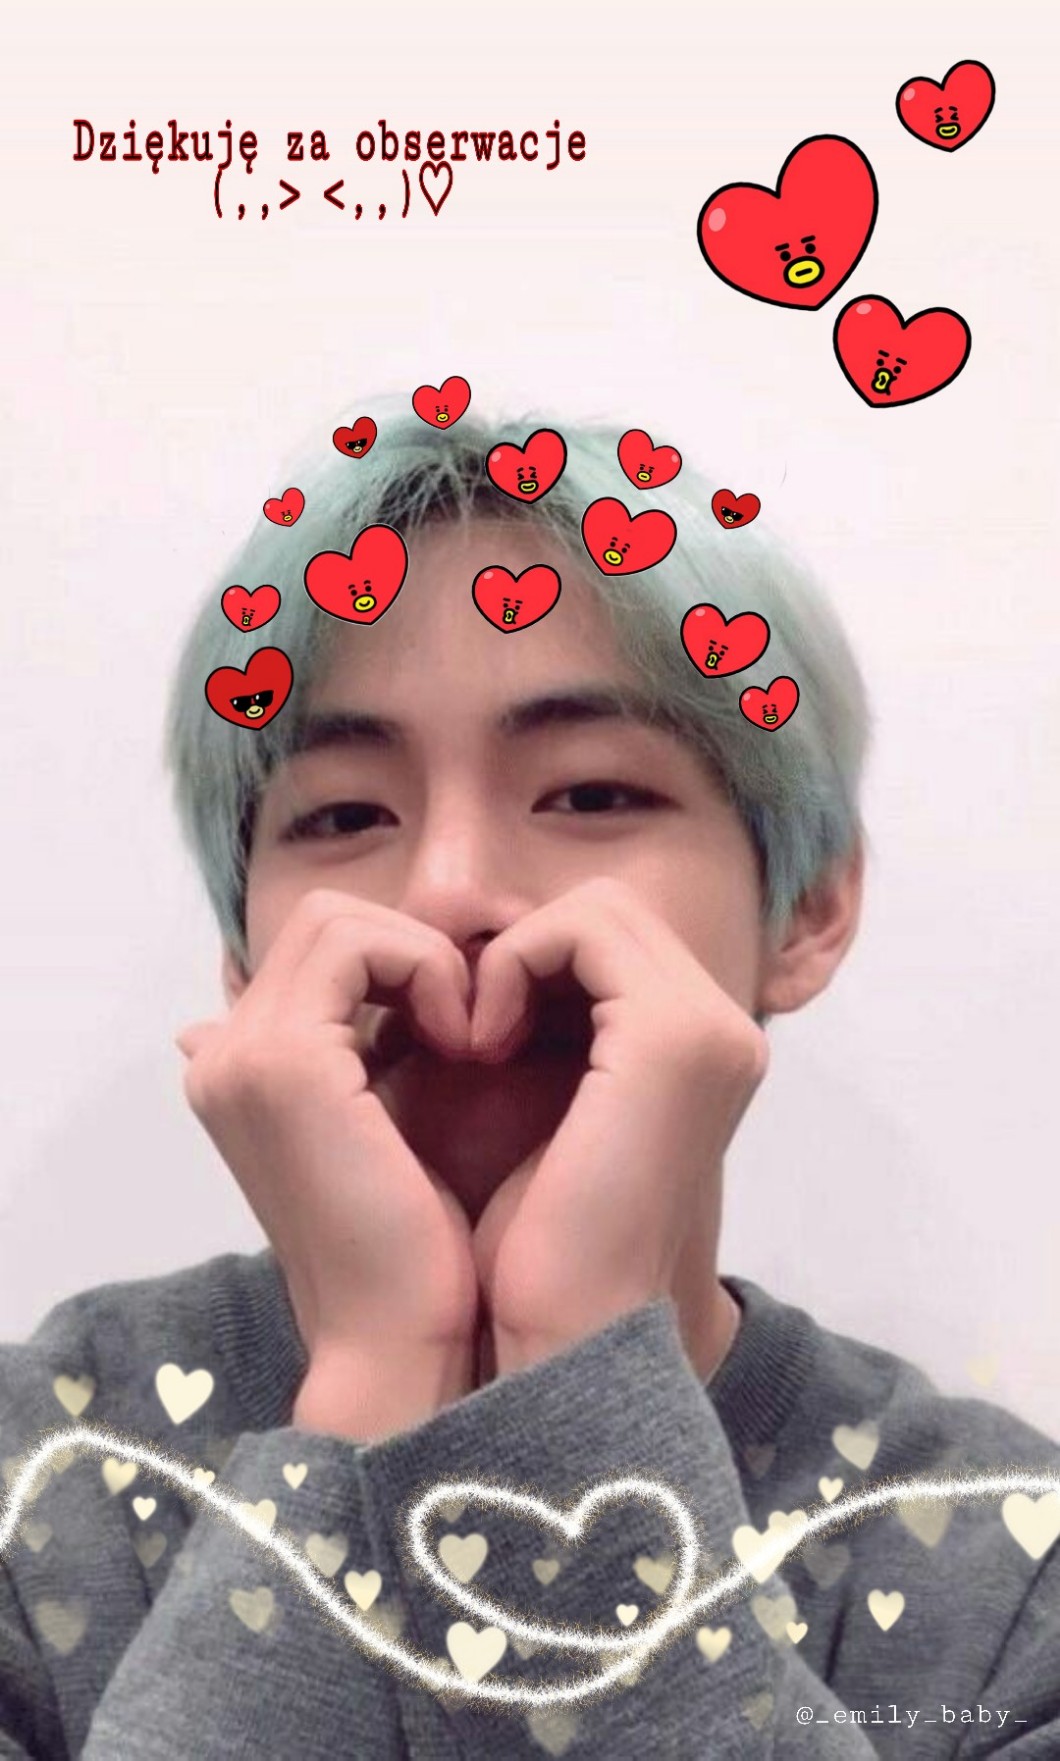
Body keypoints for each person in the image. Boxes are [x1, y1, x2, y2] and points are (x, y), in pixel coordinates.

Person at [1, 394, 1057, 1759]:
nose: (448, 891)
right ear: (245, 957)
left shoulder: (1007, 1577)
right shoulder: (42, 1485)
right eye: (344, 814)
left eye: (593, 793)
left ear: (807, 908)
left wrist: (578, 1366)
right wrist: (378, 1370)